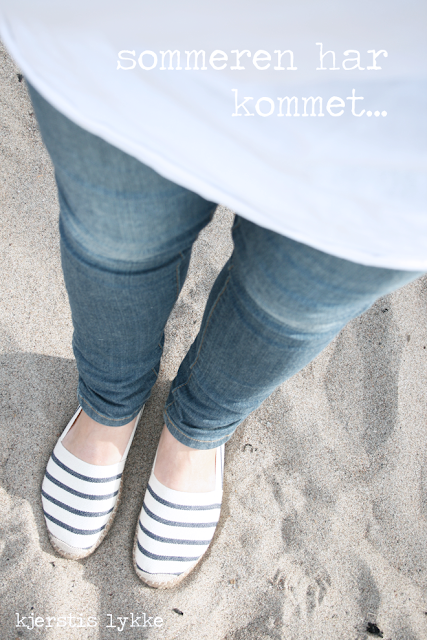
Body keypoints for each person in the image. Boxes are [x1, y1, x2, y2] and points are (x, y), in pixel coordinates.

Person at [1, 1, 425, 590]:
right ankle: (109, 403)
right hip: (134, 35)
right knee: (115, 242)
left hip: (393, 107)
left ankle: (196, 432)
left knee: (292, 302)